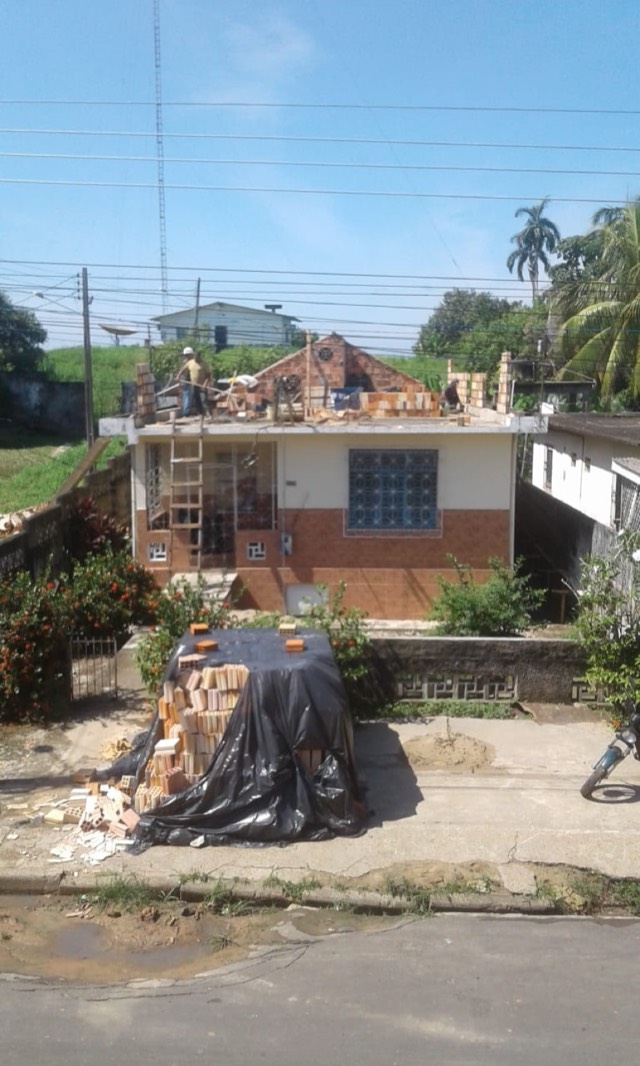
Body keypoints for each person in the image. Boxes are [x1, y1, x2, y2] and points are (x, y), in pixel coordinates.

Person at [178, 347, 211, 417]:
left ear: (199, 357)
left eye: (197, 357)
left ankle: (207, 414)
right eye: (195, 357)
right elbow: (183, 369)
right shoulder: (190, 362)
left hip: (202, 385)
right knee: (197, 400)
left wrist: (205, 384)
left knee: (203, 399)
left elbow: (208, 375)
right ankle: (200, 414)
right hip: (194, 385)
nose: (196, 358)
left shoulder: (204, 364)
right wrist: (178, 376)